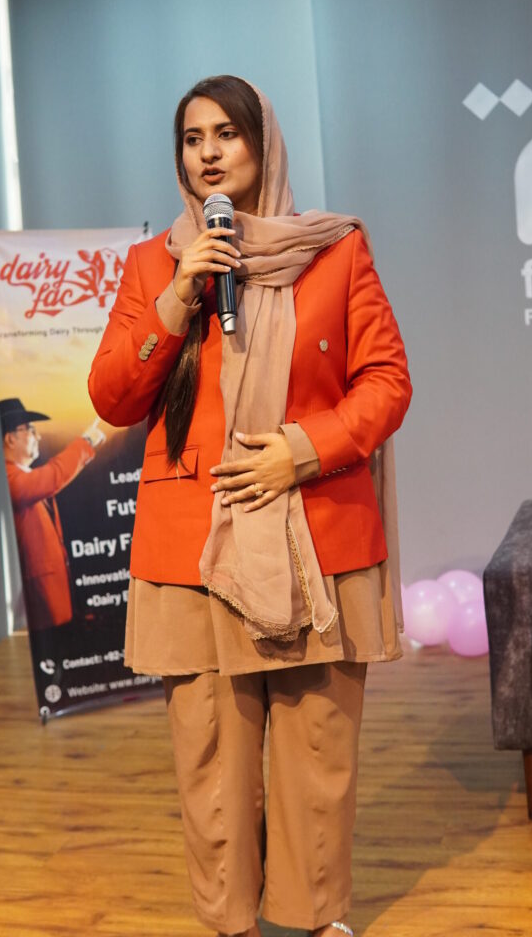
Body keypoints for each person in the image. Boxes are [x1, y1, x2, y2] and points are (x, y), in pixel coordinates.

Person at [88, 75, 412, 937]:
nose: (208, 153)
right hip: (191, 548)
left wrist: (301, 450)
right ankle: (231, 922)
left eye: (226, 134)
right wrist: (178, 295)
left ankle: (316, 916)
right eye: (193, 138)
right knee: (211, 761)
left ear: (263, 145)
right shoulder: (155, 264)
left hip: (314, 534)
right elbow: (113, 397)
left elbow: (386, 383)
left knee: (316, 749)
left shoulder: (336, 251)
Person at [0, 397, 105, 631]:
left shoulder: (19, 477)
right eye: (30, 429)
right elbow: (51, 477)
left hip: (53, 602)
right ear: (10, 439)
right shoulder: (6, 479)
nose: (38, 436)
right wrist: (85, 443)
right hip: (43, 610)